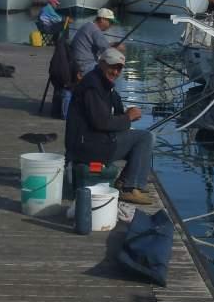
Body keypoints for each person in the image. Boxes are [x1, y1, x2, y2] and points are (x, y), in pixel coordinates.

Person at [65, 47, 155, 206]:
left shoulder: (103, 83)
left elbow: (113, 112)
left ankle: (130, 181)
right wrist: (128, 118)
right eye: (112, 66)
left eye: (119, 68)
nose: (115, 72)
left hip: (91, 141)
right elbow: (101, 122)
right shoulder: (93, 86)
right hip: (88, 146)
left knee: (138, 137)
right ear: (101, 63)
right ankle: (130, 187)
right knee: (145, 138)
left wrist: (125, 115)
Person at [70, 7, 123, 78]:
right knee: (111, 72)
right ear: (102, 19)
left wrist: (112, 45)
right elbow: (108, 51)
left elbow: (103, 46)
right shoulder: (95, 30)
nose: (111, 25)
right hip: (85, 66)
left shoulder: (88, 26)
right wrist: (118, 49)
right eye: (110, 22)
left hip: (76, 63)